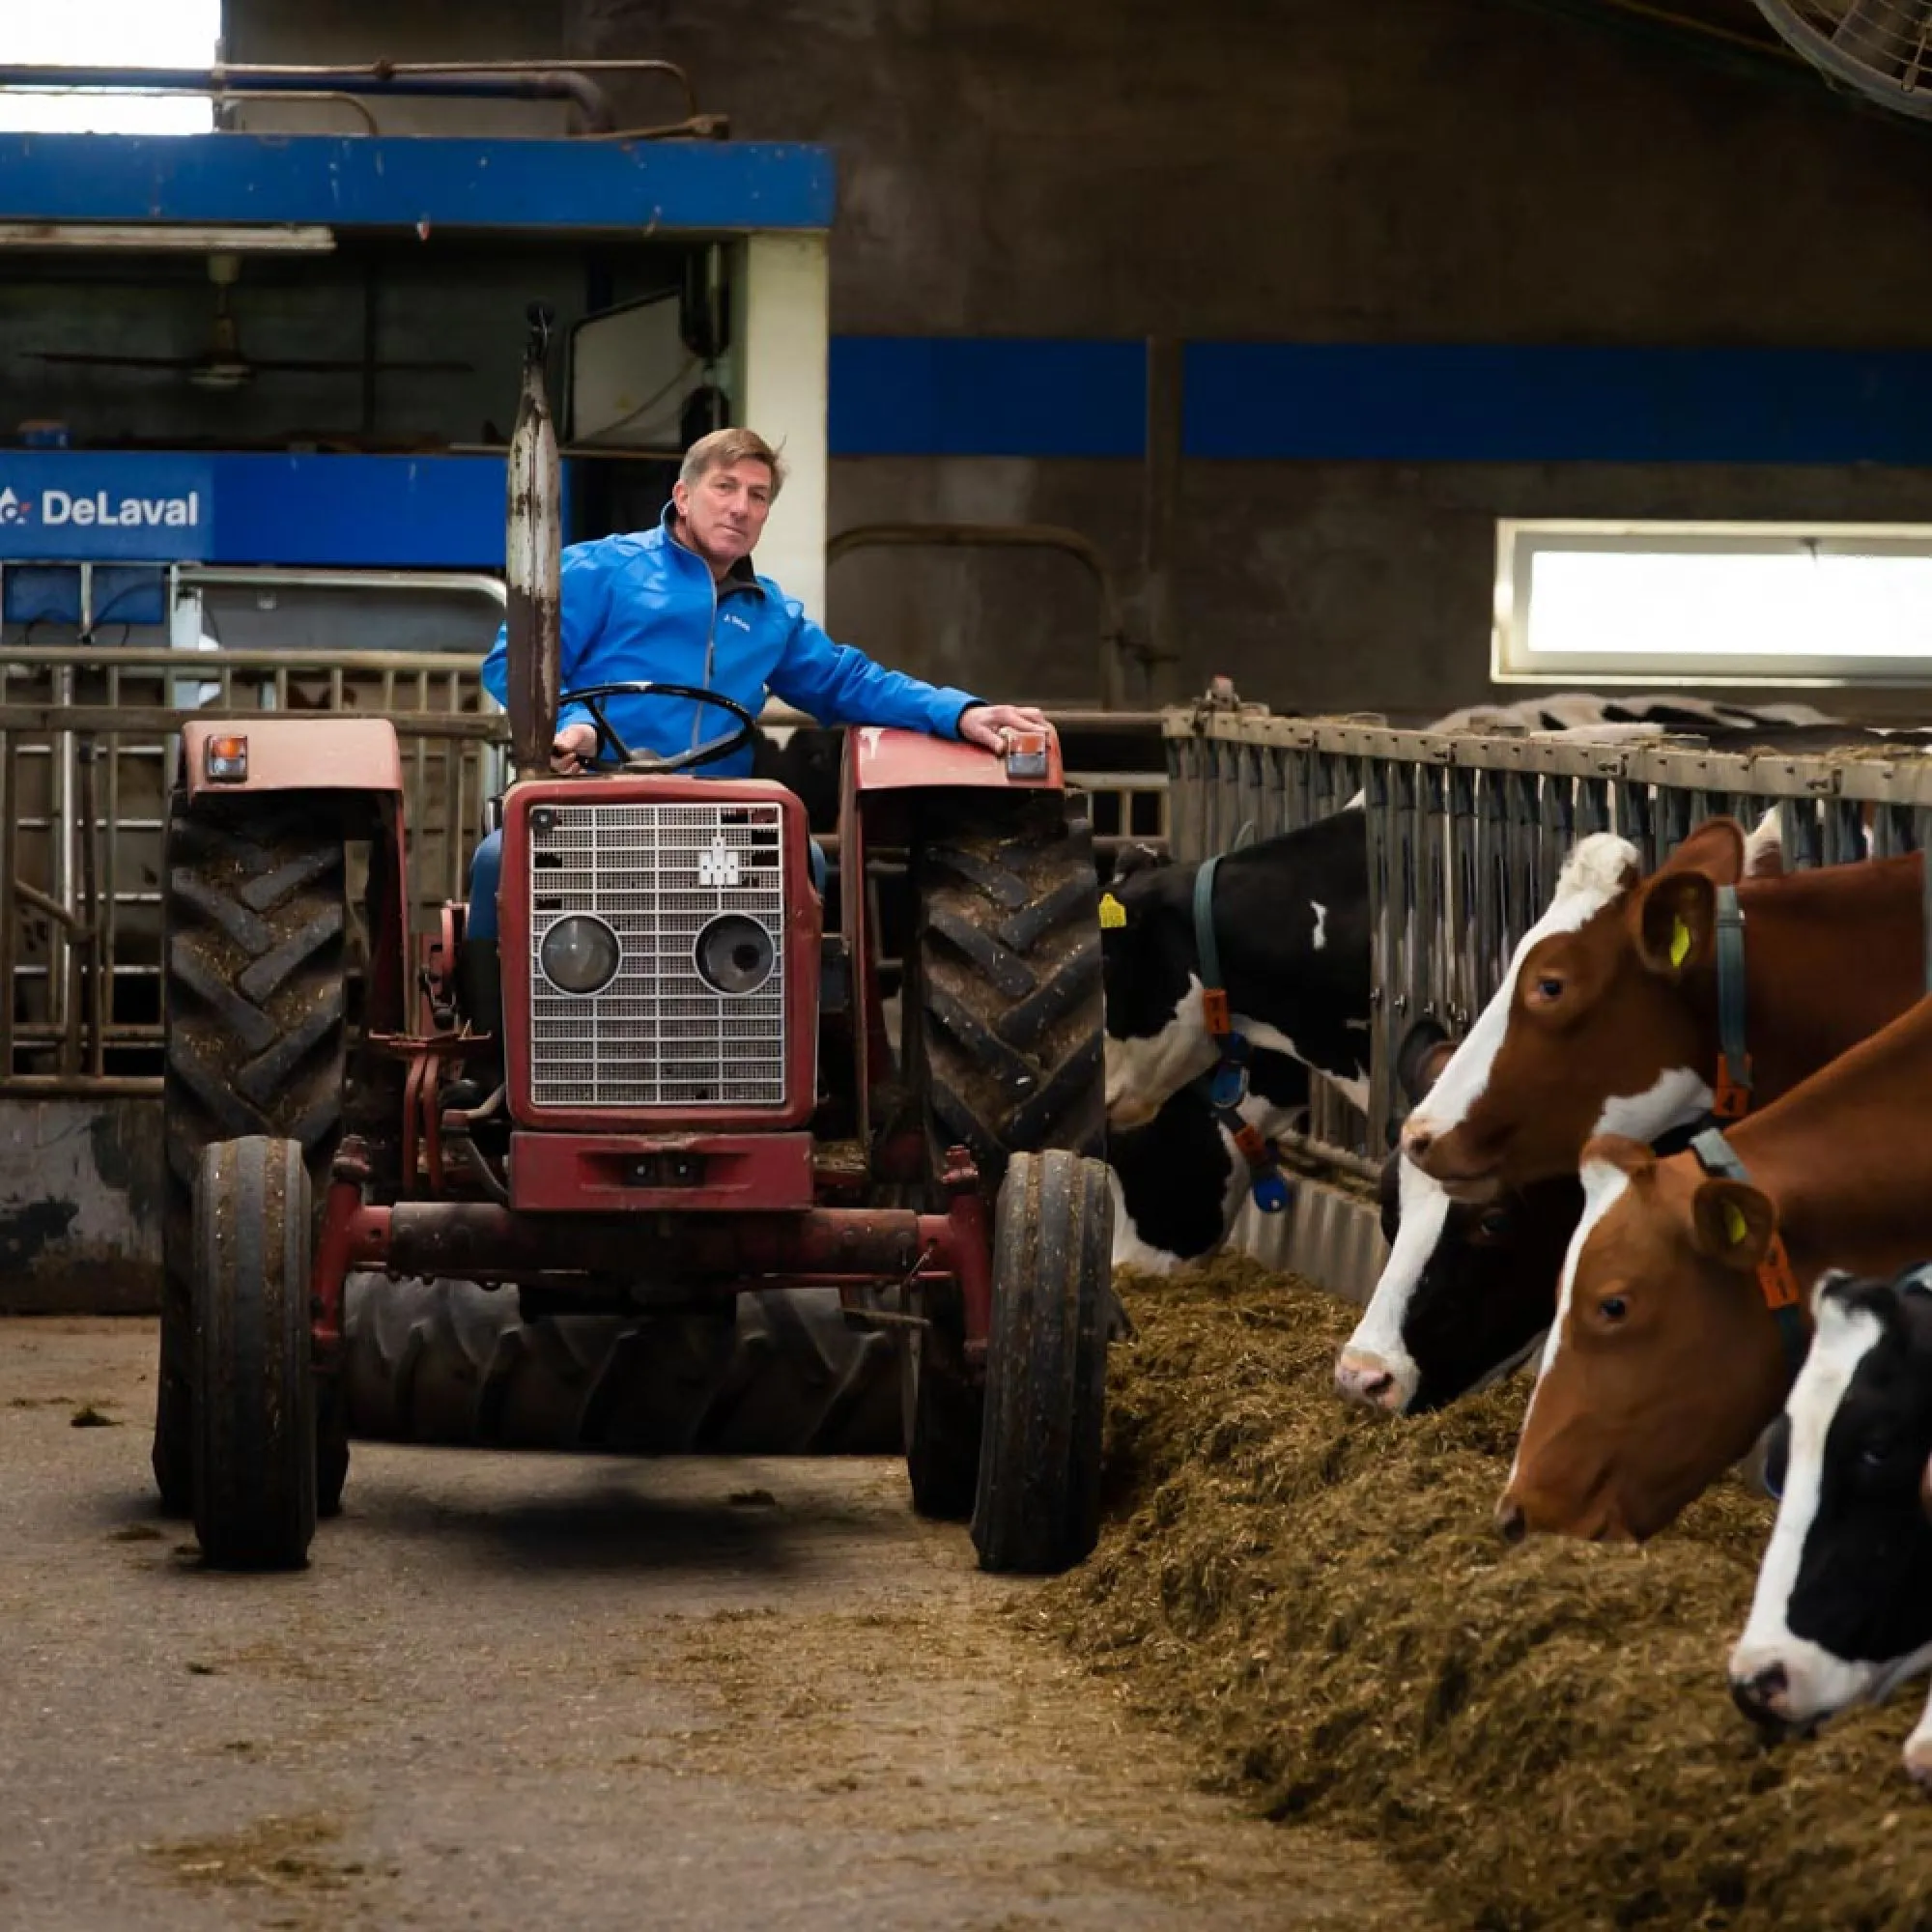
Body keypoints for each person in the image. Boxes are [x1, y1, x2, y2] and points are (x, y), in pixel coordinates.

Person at [454, 429, 1047, 1076]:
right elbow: (514, 659)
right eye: (725, 487)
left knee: (804, 868)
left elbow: (850, 682)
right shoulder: (599, 570)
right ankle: (493, 1066)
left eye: (758, 496)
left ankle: (788, 1068)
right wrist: (569, 724)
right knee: (497, 860)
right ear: (683, 495)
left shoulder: (769, 617)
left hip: (713, 820)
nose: (741, 506)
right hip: (589, 801)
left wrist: (958, 712)